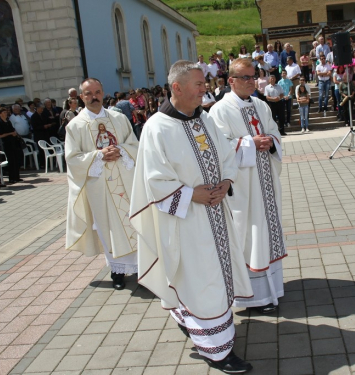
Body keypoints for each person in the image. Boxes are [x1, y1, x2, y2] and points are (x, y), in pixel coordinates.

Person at [129, 60, 254, 373]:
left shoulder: (205, 118)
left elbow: (226, 154)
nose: (205, 90)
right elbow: (154, 180)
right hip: (186, 221)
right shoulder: (156, 128)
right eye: (198, 85)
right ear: (177, 88)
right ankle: (217, 351)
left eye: (204, 84)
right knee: (202, 281)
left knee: (211, 277)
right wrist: (190, 195)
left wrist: (226, 181)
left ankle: (197, 324)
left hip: (216, 213)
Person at [209, 58, 286, 315]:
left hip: (265, 182)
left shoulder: (262, 105)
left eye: (254, 76)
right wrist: (250, 143)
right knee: (248, 236)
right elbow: (219, 148)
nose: (252, 81)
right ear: (230, 81)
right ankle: (249, 297)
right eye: (245, 77)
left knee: (265, 232)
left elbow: (274, 130)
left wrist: (271, 142)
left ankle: (272, 290)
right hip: (243, 188)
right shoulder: (220, 110)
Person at [65, 78, 139, 290]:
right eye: (88, 93)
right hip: (99, 188)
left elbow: (135, 144)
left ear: (103, 92)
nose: (94, 96)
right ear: (81, 97)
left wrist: (121, 150)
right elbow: (72, 159)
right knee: (108, 228)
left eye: (97, 92)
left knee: (133, 223)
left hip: (125, 183)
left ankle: (142, 271)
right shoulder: (75, 126)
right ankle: (117, 272)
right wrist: (98, 156)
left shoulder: (119, 118)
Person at [0, 107, 23, 184]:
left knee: (16, 159)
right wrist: (10, 133)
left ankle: (17, 177)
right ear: (0, 114)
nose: (5, 114)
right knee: (11, 160)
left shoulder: (8, 121)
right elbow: (0, 135)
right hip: (7, 143)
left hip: (13, 142)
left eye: (6, 112)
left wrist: (14, 133)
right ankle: (12, 178)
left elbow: (12, 129)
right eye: (3, 113)